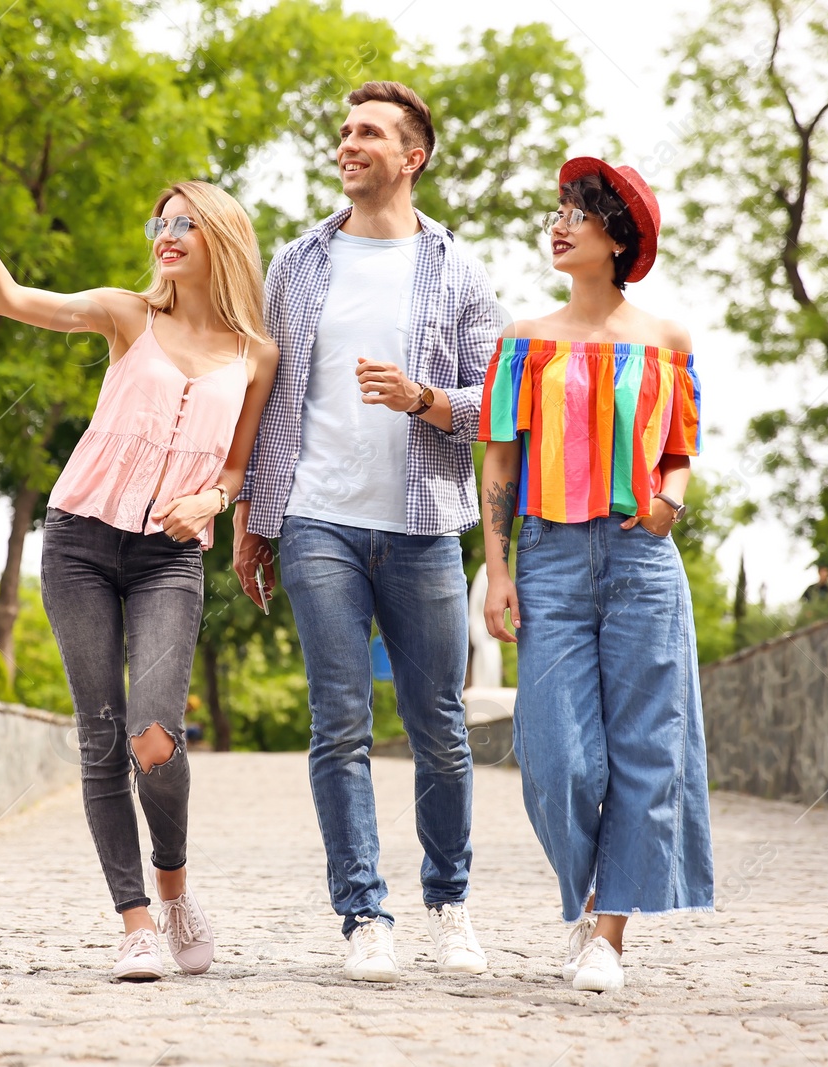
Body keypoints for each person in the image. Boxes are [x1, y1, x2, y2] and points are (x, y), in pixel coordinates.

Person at [0, 126, 280, 981]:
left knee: (154, 735)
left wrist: (215, 499)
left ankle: (174, 885)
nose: (164, 235)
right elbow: (10, 298)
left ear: (221, 239)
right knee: (99, 735)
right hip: (81, 540)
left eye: (183, 224)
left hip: (170, 556)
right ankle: (134, 923)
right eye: (159, 223)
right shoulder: (128, 315)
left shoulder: (256, 354)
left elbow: (238, 467)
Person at [231, 81, 502, 982]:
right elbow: (270, 401)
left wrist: (424, 399)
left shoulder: (460, 271)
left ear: (411, 155)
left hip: (425, 526)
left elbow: (496, 405)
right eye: (344, 130)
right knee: (339, 723)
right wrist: (252, 518)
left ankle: (450, 903)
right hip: (319, 521)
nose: (348, 143)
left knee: (440, 728)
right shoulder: (298, 265)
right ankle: (363, 917)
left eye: (369, 133)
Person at [479, 157, 714, 993]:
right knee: (559, 756)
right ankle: (584, 894)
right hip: (545, 556)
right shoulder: (523, 339)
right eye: (558, 211)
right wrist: (496, 567)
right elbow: (500, 454)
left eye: (578, 211)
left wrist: (668, 506)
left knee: (651, 746)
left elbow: (680, 451)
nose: (561, 223)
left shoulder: (668, 341)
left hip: (642, 559)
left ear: (618, 235)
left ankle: (608, 931)